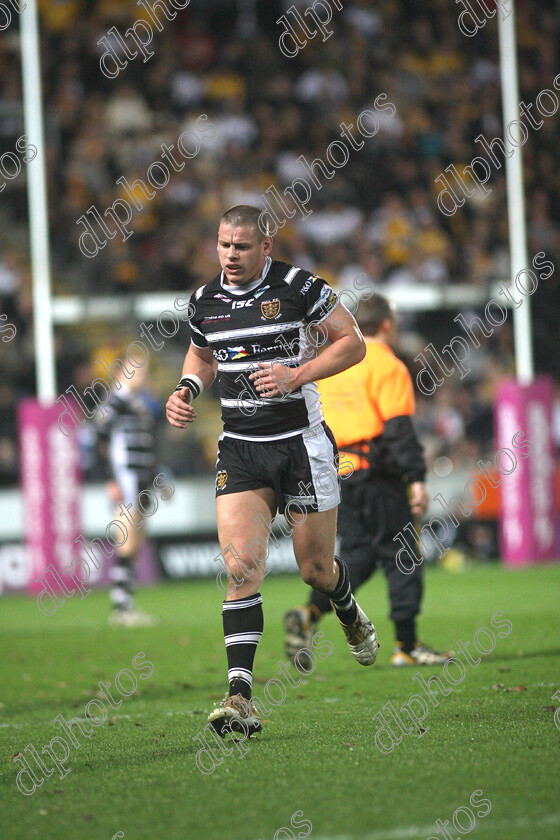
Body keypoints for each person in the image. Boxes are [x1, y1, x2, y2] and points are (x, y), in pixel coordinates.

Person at [165, 205, 379, 740]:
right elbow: (201, 354)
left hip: (301, 445)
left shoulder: (300, 287)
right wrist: (187, 387)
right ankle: (239, 698)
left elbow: (353, 342)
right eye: (222, 245)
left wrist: (296, 375)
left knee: (315, 571)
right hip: (241, 448)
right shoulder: (204, 301)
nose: (230, 256)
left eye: (241, 246)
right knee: (241, 568)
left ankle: (349, 612)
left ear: (265, 245)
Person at [284, 293, 453, 666]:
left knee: (357, 555)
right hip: (378, 473)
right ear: (388, 326)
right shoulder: (388, 365)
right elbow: (398, 429)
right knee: (402, 554)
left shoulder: (333, 363)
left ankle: (309, 613)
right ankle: (407, 647)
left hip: (336, 474)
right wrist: (417, 478)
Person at [95, 364, 157, 627]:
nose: (141, 376)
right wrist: (109, 478)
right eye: (137, 371)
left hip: (141, 481)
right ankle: (121, 607)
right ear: (122, 372)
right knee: (127, 542)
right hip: (126, 480)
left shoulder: (138, 403)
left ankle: (125, 604)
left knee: (136, 544)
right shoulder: (114, 402)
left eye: (143, 371)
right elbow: (98, 440)